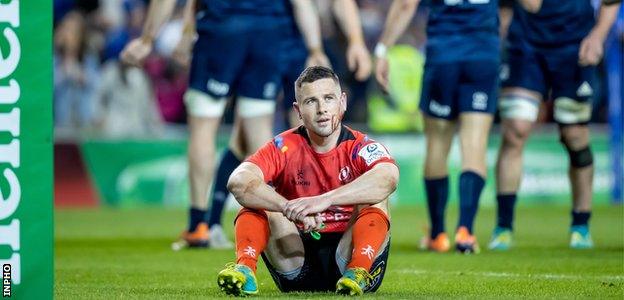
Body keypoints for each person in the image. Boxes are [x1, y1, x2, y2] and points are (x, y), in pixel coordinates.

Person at [120, 0, 327, 249]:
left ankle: (198, 226)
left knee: (203, 127)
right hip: (269, 33)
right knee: (258, 131)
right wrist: (315, 47)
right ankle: (279, 225)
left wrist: (147, 39)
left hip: (221, 29)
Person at [199, 0, 372, 249]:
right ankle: (215, 221)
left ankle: (301, 218)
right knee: (247, 137)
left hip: (294, 45)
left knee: (303, 135)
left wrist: (354, 41)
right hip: (275, 39)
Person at [217, 66, 399, 296]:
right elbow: (238, 181)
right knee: (257, 198)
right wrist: (288, 207)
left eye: (328, 99)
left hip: (348, 254)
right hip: (296, 260)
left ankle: (359, 271)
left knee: (376, 198)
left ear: (342, 102)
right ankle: (245, 268)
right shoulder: (282, 146)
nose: (322, 109)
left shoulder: (361, 147)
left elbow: (389, 177)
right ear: (298, 110)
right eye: (311, 101)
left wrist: (323, 200)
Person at [374, 0, 516, 253]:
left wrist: (383, 49)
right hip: (483, 55)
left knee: (437, 144)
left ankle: (438, 234)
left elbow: (406, 4)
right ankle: (466, 231)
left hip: (443, 56)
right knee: (475, 144)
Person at [490, 0, 622, 250]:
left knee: (575, 136)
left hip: (574, 47)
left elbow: (611, 2)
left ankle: (581, 225)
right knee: (515, 130)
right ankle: (503, 227)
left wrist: (597, 36)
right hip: (525, 47)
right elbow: (511, 8)